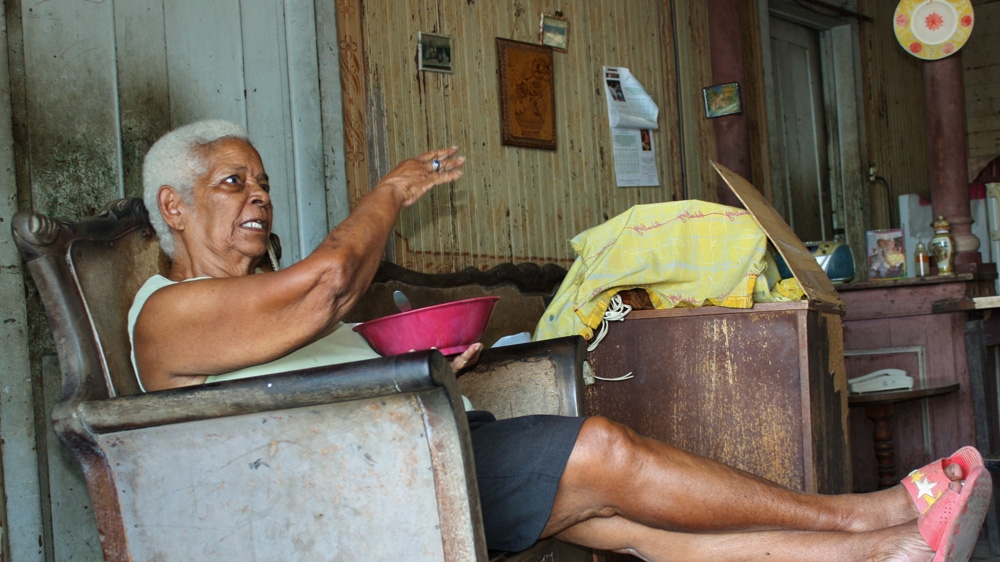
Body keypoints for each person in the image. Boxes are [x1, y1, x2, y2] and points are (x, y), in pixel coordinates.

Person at [131, 120, 991, 561]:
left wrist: (419, 367)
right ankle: (864, 512)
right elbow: (325, 287)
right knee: (603, 454)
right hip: (360, 492)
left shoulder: (254, 308)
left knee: (636, 528)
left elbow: (320, 325)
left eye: (263, 183)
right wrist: (390, 192)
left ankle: (892, 550)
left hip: (407, 449)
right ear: (174, 207)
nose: (258, 198)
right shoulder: (167, 312)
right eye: (231, 182)